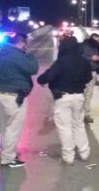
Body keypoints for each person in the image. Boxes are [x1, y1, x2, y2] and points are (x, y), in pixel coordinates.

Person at [37, 37, 92, 165]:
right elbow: (88, 78)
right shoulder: (83, 61)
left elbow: (47, 77)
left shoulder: (61, 62)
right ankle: (85, 152)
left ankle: (69, 156)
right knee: (78, 125)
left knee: (65, 127)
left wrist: (43, 79)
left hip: (63, 97)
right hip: (79, 96)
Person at [0, 33, 38, 168]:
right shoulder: (18, 55)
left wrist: (5, 76)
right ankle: (8, 158)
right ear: (21, 43)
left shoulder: (2, 53)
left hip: (1, 93)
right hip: (15, 96)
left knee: (5, 127)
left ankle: (6, 153)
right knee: (13, 128)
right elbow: (33, 69)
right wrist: (30, 55)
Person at [79, 33, 99, 123]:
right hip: (83, 72)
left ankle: (86, 114)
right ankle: (79, 113)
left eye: (98, 39)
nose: (97, 40)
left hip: (93, 71)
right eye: (96, 38)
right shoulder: (83, 46)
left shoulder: (97, 47)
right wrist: (91, 58)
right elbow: (79, 56)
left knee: (89, 94)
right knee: (82, 93)